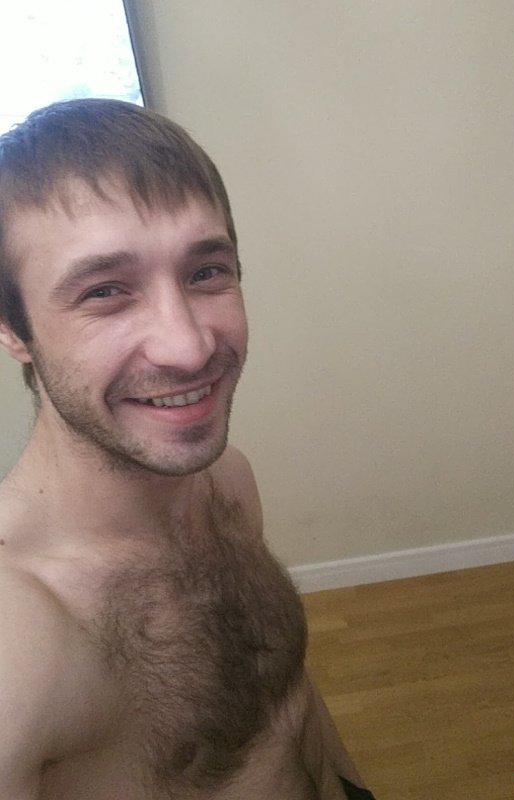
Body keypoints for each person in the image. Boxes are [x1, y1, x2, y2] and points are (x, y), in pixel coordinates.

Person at [0, 99, 377, 800]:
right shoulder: (18, 642)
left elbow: (284, 703)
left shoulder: (225, 482)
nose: (189, 346)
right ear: (12, 328)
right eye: (106, 291)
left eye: (206, 272)